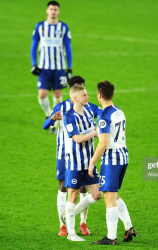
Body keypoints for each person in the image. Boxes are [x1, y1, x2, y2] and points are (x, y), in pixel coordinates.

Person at [43, 76, 102, 237]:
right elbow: (44, 125)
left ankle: (83, 223)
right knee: (63, 187)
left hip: (85, 155)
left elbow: (102, 113)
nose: (83, 91)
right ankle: (63, 225)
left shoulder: (88, 107)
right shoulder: (61, 108)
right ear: (72, 92)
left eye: (83, 87)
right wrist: (50, 119)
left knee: (84, 189)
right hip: (64, 154)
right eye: (79, 88)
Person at [89, 81, 137, 245]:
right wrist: (100, 134)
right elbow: (120, 134)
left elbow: (103, 143)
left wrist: (92, 162)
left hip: (111, 159)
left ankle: (111, 237)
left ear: (99, 95)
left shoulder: (103, 115)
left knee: (109, 198)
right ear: (113, 95)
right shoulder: (119, 112)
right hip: (123, 156)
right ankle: (129, 227)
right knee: (114, 194)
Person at [62, 85, 103, 242]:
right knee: (73, 195)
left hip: (89, 161)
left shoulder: (89, 111)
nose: (88, 97)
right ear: (75, 98)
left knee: (97, 194)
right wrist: (95, 133)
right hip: (74, 163)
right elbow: (77, 139)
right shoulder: (69, 116)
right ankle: (71, 234)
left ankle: (69, 214)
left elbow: (102, 116)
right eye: (84, 95)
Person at [31, 1, 73, 133]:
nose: (53, 11)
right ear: (47, 11)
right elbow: (34, 46)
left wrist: (69, 68)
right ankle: (49, 114)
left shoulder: (64, 28)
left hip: (59, 67)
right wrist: (33, 64)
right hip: (44, 68)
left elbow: (68, 48)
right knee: (42, 94)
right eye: (51, 9)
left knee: (57, 94)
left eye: (55, 9)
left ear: (58, 11)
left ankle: (54, 124)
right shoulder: (40, 26)